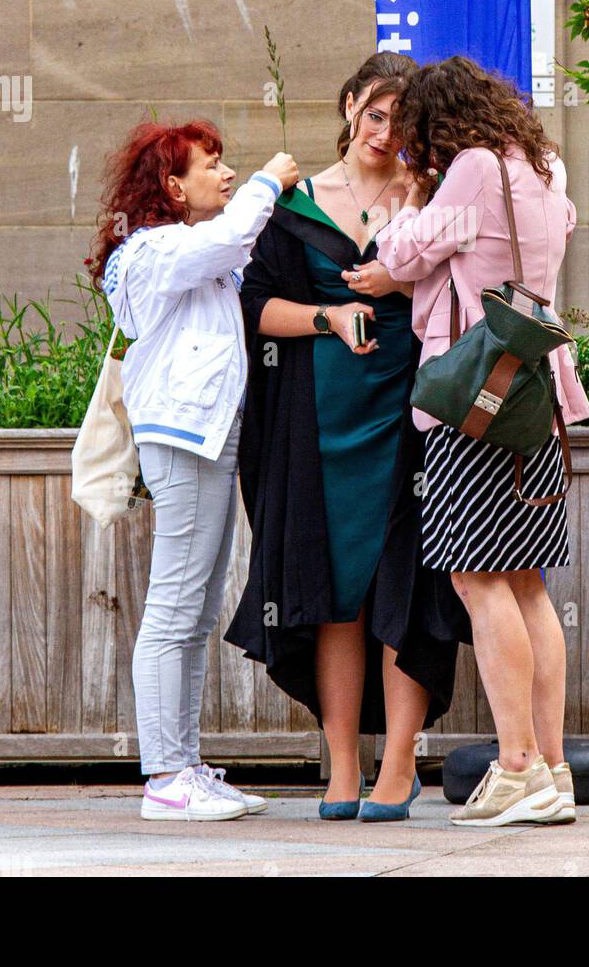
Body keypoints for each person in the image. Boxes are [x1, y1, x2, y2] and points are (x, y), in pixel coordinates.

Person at [225, 53, 467, 822]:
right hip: (316, 425)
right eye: (374, 113)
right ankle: (339, 764)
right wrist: (328, 316)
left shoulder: (429, 196)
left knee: (403, 589)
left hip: (411, 417)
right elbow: (254, 308)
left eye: (400, 120)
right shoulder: (295, 205)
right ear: (349, 107)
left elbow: (467, 284)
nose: (385, 131)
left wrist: (400, 281)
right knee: (333, 596)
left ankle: (398, 763)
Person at [373, 56, 589, 828]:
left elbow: (398, 260)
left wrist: (405, 203)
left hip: (474, 399)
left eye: (414, 137)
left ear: (438, 124)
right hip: (539, 394)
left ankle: (517, 766)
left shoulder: (467, 169)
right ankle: (554, 768)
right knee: (526, 579)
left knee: (477, 578)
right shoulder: (546, 165)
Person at [90, 119, 298, 821]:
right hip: (181, 439)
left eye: (228, 164)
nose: (228, 173)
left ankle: (185, 766)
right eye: (212, 165)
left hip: (205, 436)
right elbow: (229, 237)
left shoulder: (183, 249)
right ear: (173, 187)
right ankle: (164, 777)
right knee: (175, 607)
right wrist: (272, 180)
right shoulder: (152, 249)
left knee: (198, 606)